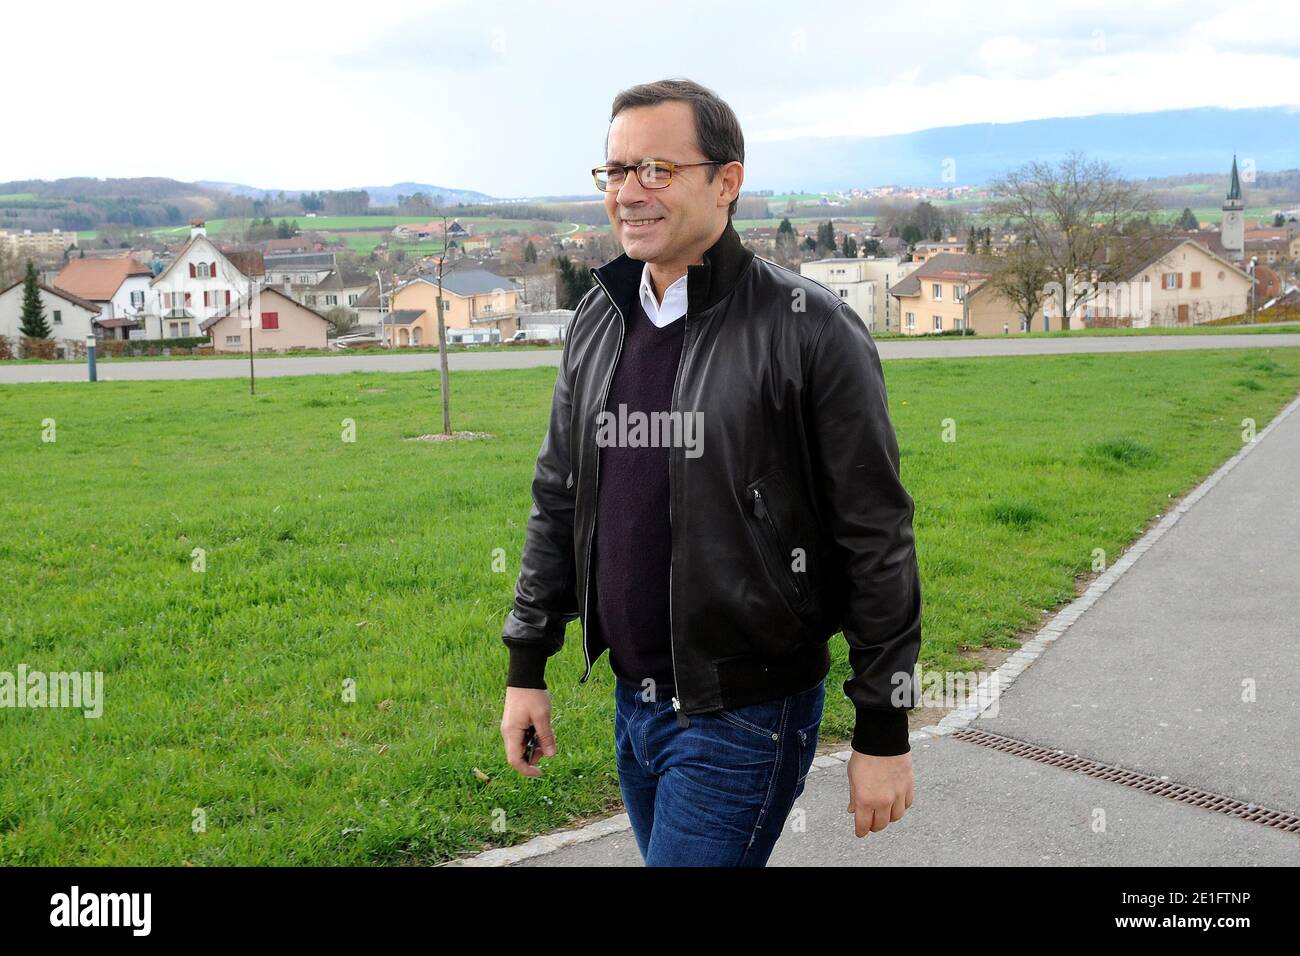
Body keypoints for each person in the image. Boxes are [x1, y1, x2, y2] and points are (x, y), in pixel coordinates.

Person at [499, 78, 922, 866]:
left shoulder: (810, 330)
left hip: (744, 711)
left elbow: (878, 537)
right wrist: (529, 664)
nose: (629, 192)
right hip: (634, 704)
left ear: (726, 182)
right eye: (615, 171)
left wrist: (884, 730)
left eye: (656, 169)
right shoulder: (601, 315)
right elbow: (558, 496)